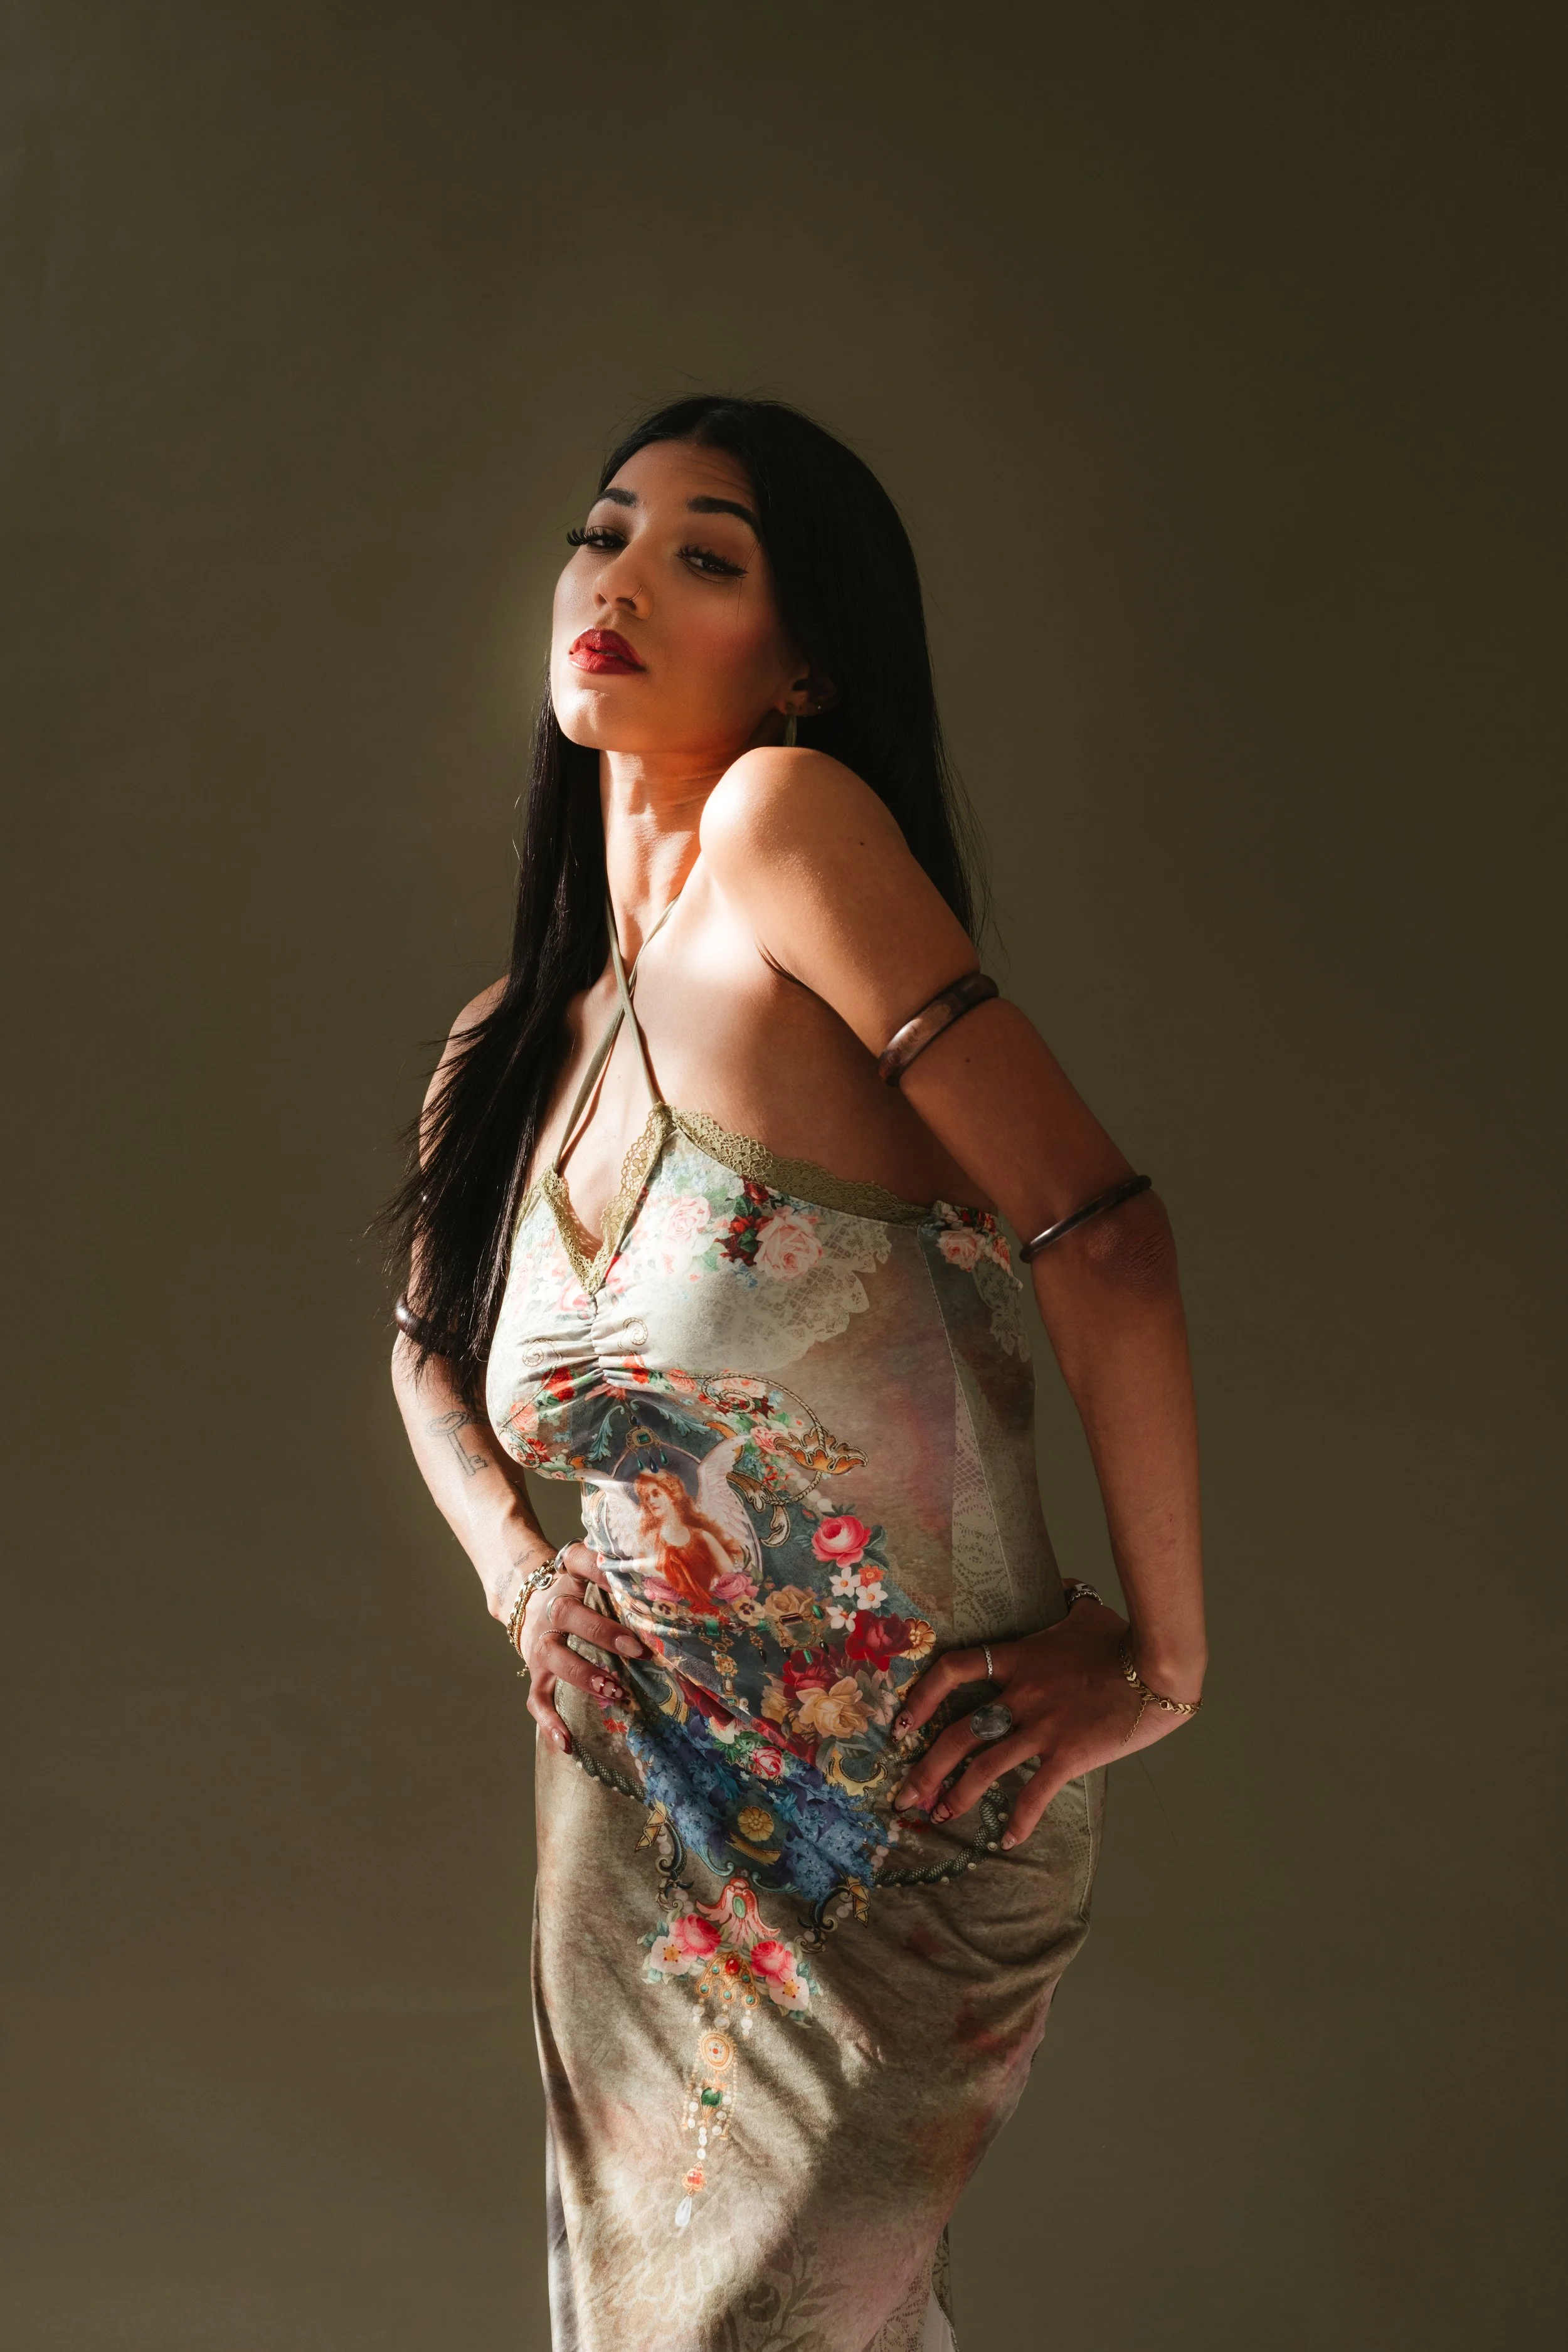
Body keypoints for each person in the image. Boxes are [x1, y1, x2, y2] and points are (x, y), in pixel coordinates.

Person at [389, 395, 1206, 2352]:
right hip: (629, 1814)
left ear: (808, 657)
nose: (619, 577)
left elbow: (1098, 1229)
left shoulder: (785, 830)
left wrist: (1159, 1662)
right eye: (603, 533)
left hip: (911, 1807)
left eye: (706, 551)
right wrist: (524, 1578)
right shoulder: (509, 1038)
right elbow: (426, 1357)